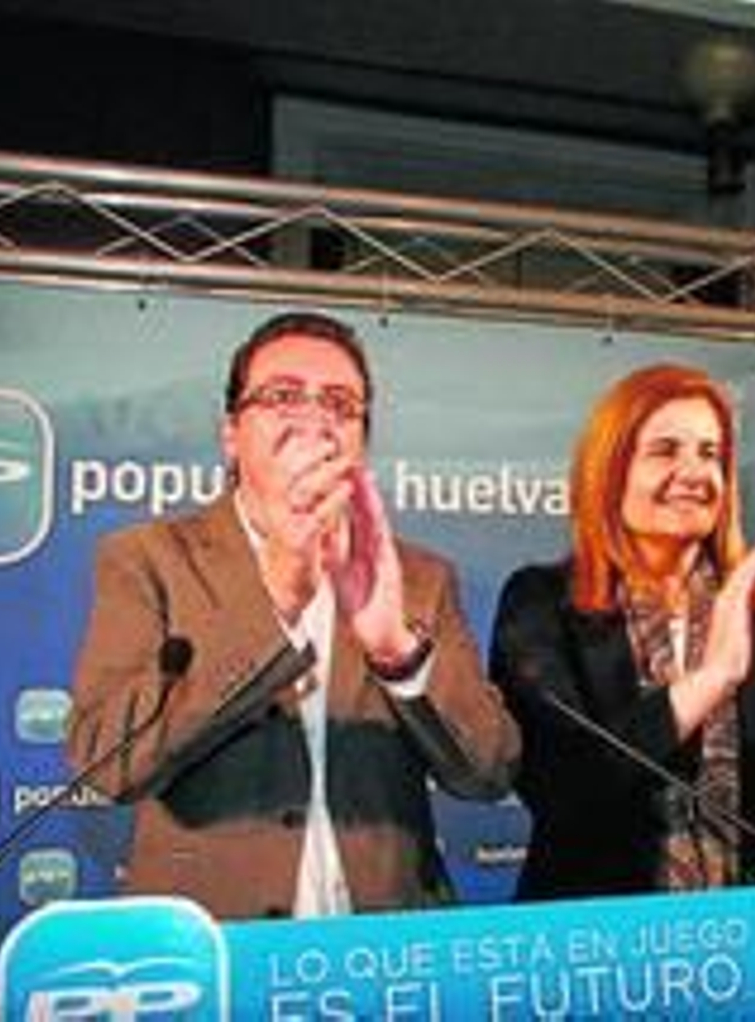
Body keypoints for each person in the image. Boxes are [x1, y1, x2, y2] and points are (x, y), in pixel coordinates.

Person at [67, 310, 521, 920]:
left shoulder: (419, 577)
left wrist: (398, 656)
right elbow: (109, 764)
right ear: (231, 432)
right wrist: (277, 596)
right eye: (283, 396)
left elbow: (489, 772)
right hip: (217, 952)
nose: (314, 418)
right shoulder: (148, 559)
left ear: (362, 437)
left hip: (385, 953)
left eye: (339, 402)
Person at [489, 362, 755, 909]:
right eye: (665, 451)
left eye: (710, 454)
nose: (694, 472)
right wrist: (710, 680)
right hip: (594, 951)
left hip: (740, 951)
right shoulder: (541, 602)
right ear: (609, 470)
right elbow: (562, 786)